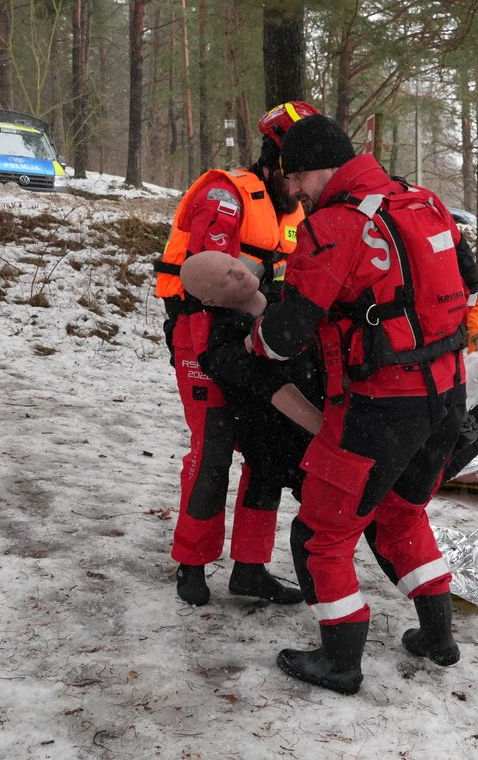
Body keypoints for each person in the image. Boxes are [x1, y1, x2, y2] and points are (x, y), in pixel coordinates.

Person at [246, 114, 469, 695]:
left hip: (379, 408)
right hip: (447, 398)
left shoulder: (334, 225)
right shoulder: (424, 202)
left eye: (297, 177)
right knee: (401, 515)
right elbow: (465, 276)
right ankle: (438, 638)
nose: (294, 190)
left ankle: (340, 661)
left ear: (320, 167)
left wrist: (254, 335)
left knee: (321, 535)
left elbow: (285, 335)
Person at [153, 101, 320, 607]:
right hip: (203, 335)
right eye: (294, 174)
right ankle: (192, 561)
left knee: (267, 452)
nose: (299, 187)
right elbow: (212, 275)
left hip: (261, 336)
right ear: (274, 162)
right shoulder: (225, 195)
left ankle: (250, 567)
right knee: (214, 449)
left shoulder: (297, 209)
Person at [180, 250, 322, 494]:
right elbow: (273, 386)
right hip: (290, 446)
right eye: (226, 278)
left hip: (335, 411)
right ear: (211, 301)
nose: (239, 272)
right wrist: (329, 434)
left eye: (233, 263)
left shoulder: (285, 295)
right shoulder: (225, 344)